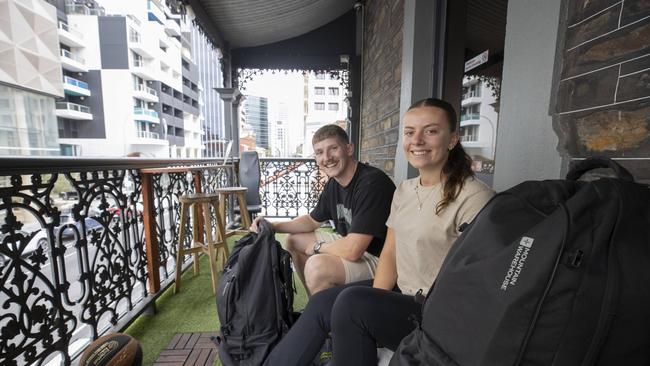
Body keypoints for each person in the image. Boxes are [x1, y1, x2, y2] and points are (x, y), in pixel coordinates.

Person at [264, 98, 495, 366]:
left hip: (436, 311)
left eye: (430, 131)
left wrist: (367, 306)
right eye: (410, 132)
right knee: (322, 305)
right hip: (402, 292)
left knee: (351, 304)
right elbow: (390, 252)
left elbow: (478, 283)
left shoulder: (475, 197)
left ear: (452, 139)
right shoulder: (406, 191)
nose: (417, 140)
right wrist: (376, 300)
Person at [250, 124, 395, 295]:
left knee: (316, 267)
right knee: (293, 241)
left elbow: (353, 250)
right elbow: (312, 220)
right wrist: (274, 226)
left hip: (382, 259)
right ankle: (316, 304)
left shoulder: (371, 184)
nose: (327, 158)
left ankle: (324, 314)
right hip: (353, 243)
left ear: (349, 149)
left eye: (333, 148)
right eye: (319, 152)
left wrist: (318, 247)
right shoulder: (334, 183)